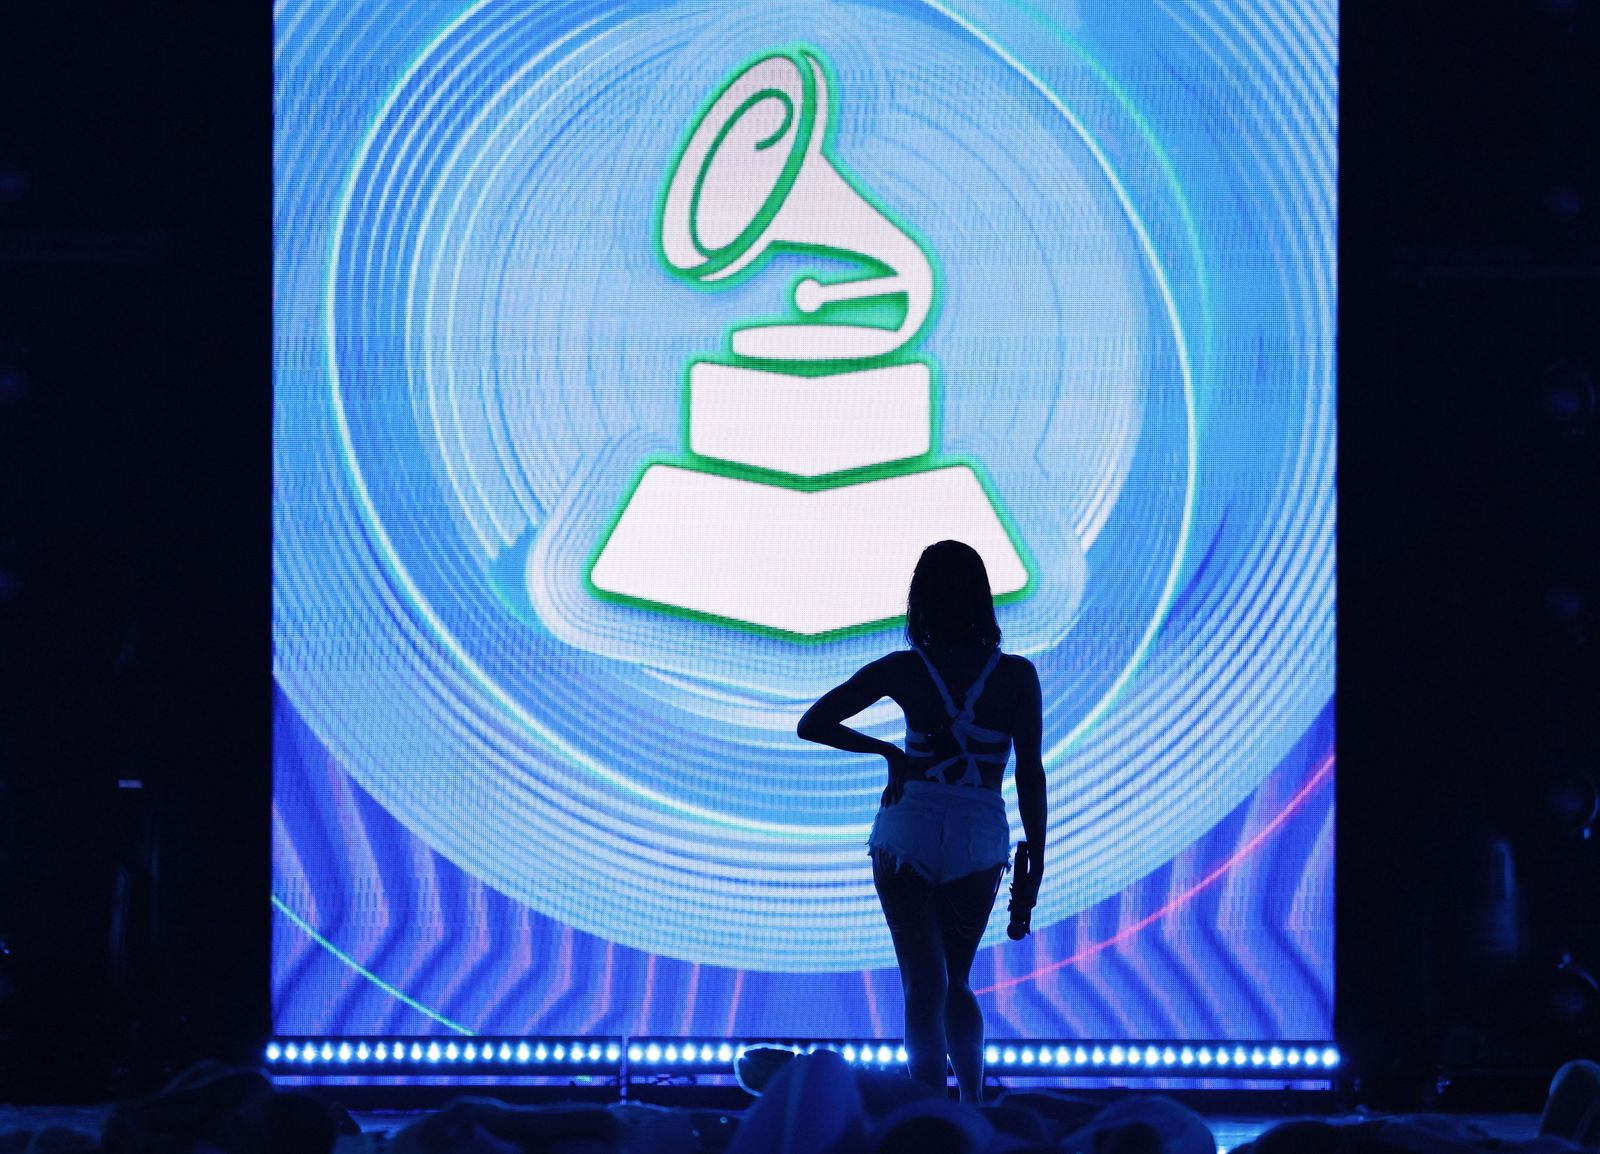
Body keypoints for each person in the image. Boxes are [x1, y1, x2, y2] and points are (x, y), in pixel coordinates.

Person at [797, 539, 1045, 1103]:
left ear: (920, 600)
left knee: (920, 981)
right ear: (983, 599)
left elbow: (813, 722)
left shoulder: (904, 670)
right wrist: (1037, 859)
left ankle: (928, 1116)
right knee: (955, 980)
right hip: (979, 832)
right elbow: (1030, 772)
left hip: (909, 827)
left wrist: (892, 755)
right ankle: (973, 1108)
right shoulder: (1016, 677)